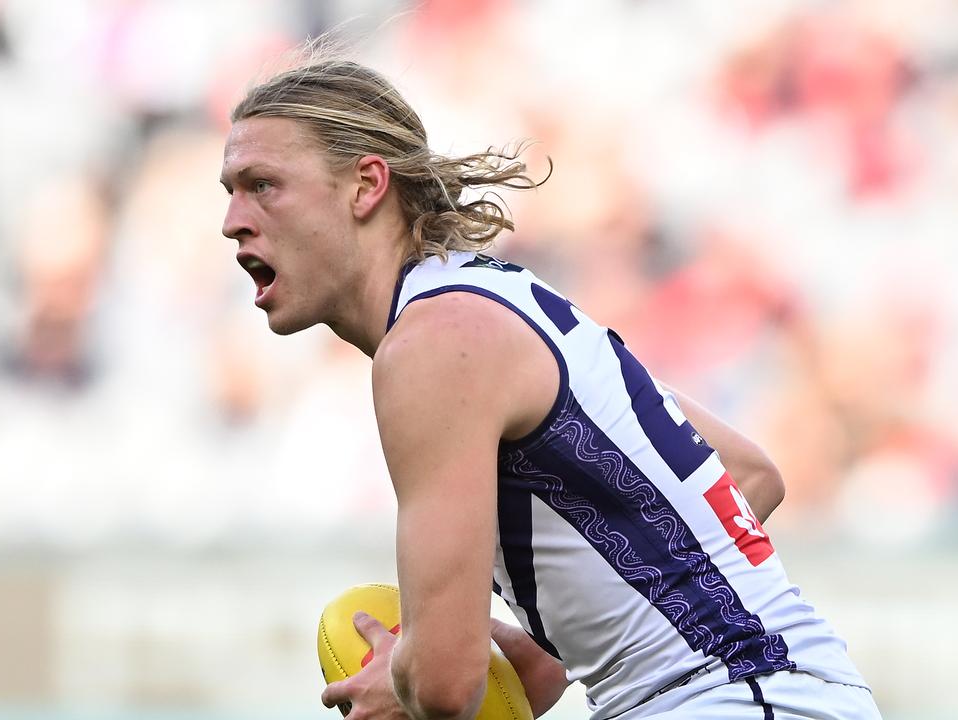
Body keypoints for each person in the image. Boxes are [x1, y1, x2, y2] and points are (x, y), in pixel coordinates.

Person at [219, 57, 881, 720]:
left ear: (366, 186)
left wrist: (403, 678)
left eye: (263, 185)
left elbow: (443, 686)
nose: (232, 221)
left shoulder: (433, 342)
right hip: (786, 693)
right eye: (231, 192)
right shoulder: (496, 301)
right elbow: (745, 475)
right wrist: (552, 650)